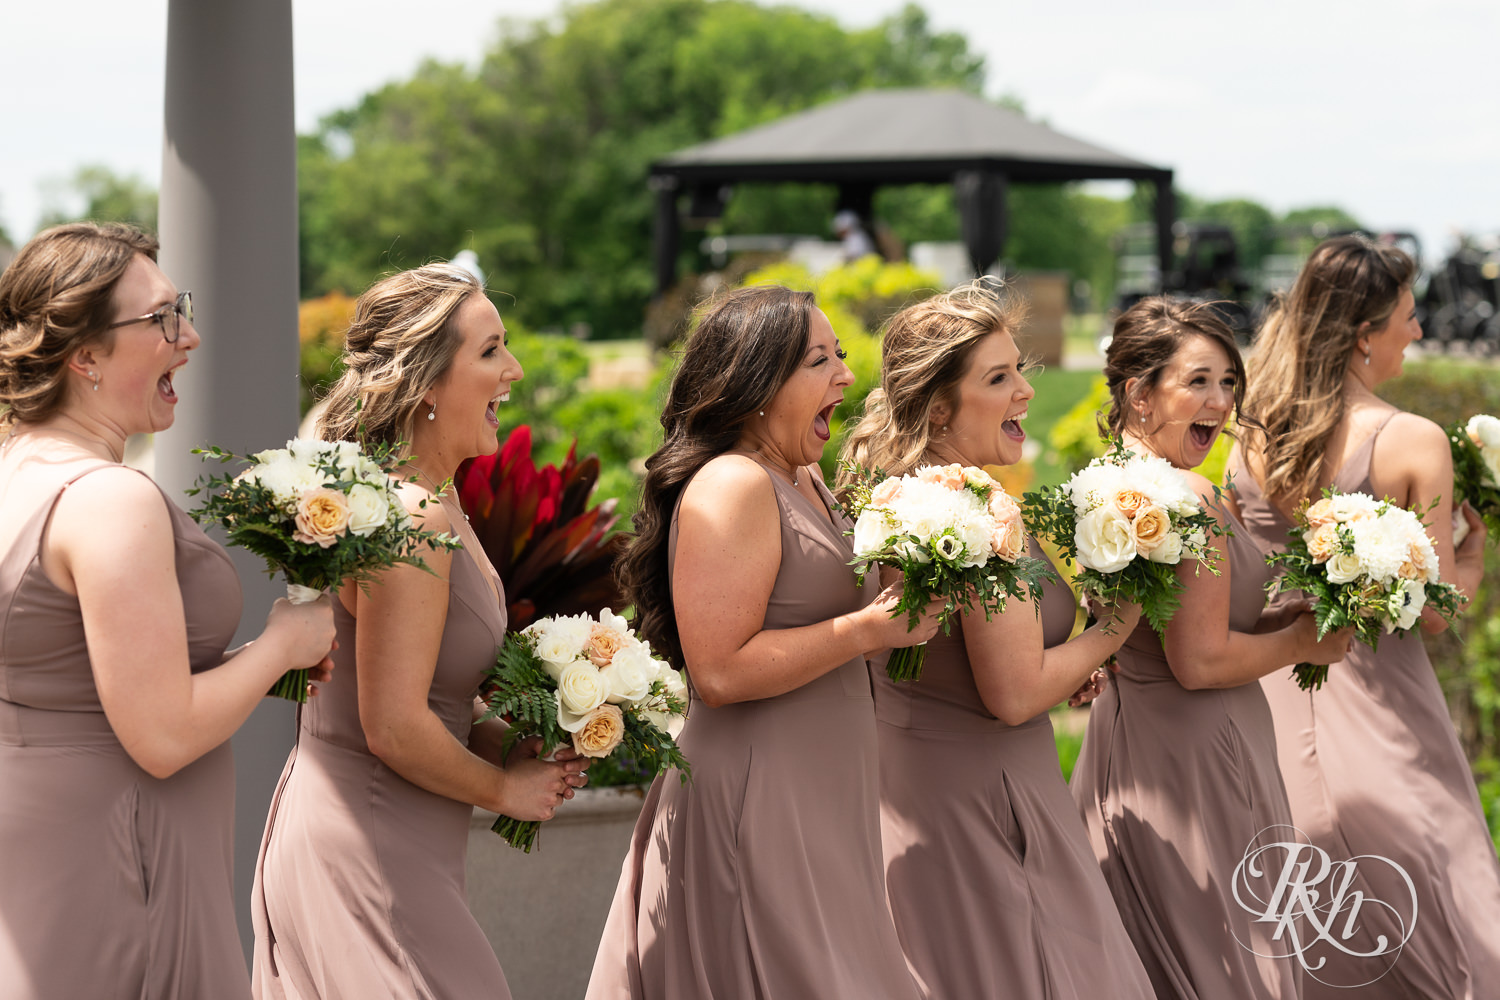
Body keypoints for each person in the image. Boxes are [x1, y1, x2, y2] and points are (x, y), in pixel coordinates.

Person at [0, 222, 336, 999]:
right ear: (84, 355)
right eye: (159, 319)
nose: (188, 336)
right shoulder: (109, 500)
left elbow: (76, 676)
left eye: (177, 307)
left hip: (48, 855)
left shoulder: (16, 473)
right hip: (124, 866)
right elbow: (160, 734)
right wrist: (283, 643)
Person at [586, 285, 940, 999]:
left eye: (841, 355)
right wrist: (867, 629)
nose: (845, 375)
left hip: (824, 793)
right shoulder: (734, 484)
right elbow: (718, 669)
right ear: (756, 383)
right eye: (820, 360)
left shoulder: (805, 476)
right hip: (759, 796)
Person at [251, 263, 587, 1000]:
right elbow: (394, 727)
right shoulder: (412, 517)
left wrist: (528, 735)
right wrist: (507, 790)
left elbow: (427, 698)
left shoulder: (434, 505)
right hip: (368, 843)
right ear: (428, 383)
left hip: (396, 842)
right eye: (492, 350)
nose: (515, 370)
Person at [837, 280, 1154, 1000]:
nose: (1025, 394)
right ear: (940, 405)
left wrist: (1057, 665)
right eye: (999, 377)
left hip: (927, 785)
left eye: (1021, 370)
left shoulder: (907, 491)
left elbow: (979, 658)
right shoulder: (968, 505)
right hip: (983, 797)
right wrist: (1115, 627)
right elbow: (1012, 695)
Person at [1230, 234, 1500, 997]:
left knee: (1297, 890)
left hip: (1270, 686)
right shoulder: (1409, 439)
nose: (1418, 332)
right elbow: (1439, 613)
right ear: (1364, 334)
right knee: (1440, 891)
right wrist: (1475, 556)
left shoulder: (1251, 436)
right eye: (1409, 318)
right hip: (1381, 693)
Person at [1069, 297, 1352, 1000]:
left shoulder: (1107, 484)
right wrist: (1302, 639)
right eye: (1198, 381)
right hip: (1199, 755)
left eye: (1229, 382)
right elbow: (1199, 662)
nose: (1220, 402)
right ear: (1139, 392)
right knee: (1227, 958)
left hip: (1126, 744)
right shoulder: (1185, 495)